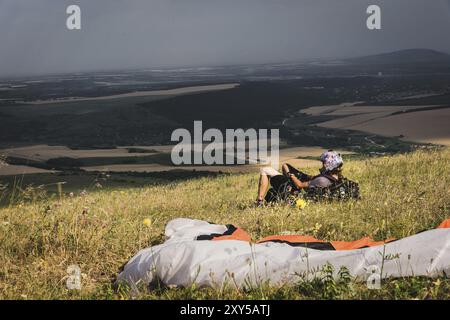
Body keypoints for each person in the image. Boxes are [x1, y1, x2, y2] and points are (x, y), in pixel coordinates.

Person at [255, 150, 344, 206]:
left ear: (328, 164)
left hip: (294, 199)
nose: (323, 165)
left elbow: (300, 185)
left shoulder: (321, 180)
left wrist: (291, 174)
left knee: (265, 170)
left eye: (324, 163)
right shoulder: (336, 179)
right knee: (284, 166)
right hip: (301, 196)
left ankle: (259, 201)